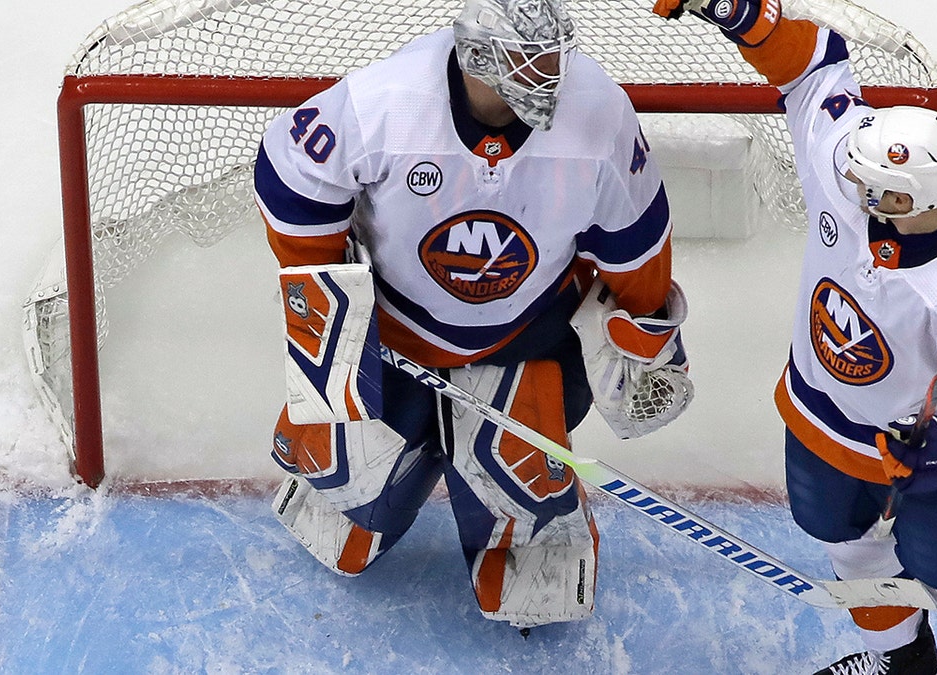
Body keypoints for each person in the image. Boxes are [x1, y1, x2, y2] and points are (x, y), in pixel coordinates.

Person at [253, 0, 693, 632]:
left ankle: (533, 549)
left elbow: (637, 238)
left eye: (551, 55)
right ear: (478, 55)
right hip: (394, 333)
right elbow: (291, 177)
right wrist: (327, 298)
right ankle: (352, 509)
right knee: (353, 482)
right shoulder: (387, 100)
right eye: (525, 58)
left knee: (519, 481)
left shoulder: (597, 114)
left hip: (526, 334)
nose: (547, 72)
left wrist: (646, 323)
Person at [652, 1, 937, 673]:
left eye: (878, 193)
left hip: (922, 457)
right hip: (821, 419)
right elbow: (814, 69)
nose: (853, 191)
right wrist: (741, 12)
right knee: (848, 545)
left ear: (921, 198)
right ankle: (900, 663)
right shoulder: (851, 160)